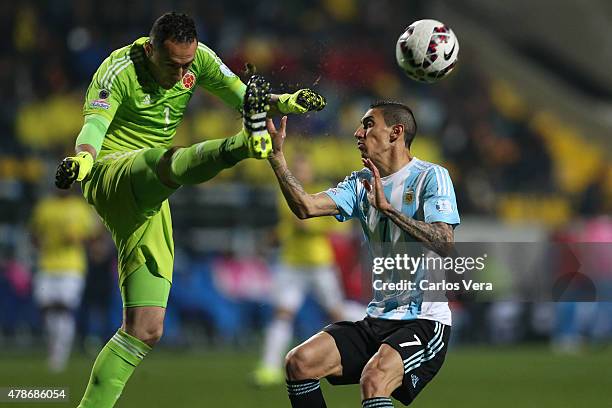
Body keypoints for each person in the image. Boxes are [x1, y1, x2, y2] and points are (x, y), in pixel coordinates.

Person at [54, 12, 326, 408]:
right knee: (167, 163)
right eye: (172, 64)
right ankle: (245, 144)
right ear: (150, 50)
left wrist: (287, 102)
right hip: (110, 171)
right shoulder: (116, 70)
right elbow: (94, 126)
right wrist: (82, 160)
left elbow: (244, 95)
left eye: (187, 63)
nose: (181, 72)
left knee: (145, 328)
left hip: (150, 198)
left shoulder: (198, 59)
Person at [266, 101, 460, 407]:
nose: (358, 132)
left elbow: (444, 242)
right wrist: (277, 159)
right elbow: (306, 206)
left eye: (368, 125)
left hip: (424, 320)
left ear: (396, 133)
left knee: (375, 379)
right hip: (377, 318)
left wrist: (389, 211)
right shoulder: (360, 183)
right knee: (299, 362)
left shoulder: (431, 177)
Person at [254, 154, 362, 386]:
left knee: (336, 312)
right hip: (292, 263)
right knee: (283, 313)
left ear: (311, 171)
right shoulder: (288, 194)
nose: (301, 174)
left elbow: (315, 225)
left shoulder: (322, 194)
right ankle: (269, 367)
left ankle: (376, 321)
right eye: (297, 169)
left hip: (319, 263)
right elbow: (292, 224)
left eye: (304, 169)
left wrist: (302, 223)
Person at [30, 189, 97, 372]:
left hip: (71, 266)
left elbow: (94, 236)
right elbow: (34, 233)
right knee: (46, 307)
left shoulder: (80, 208)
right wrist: (41, 243)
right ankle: (54, 350)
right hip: (47, 264)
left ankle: (60, 356)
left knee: (64, 308)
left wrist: (79, 239)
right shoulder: (45, 207)